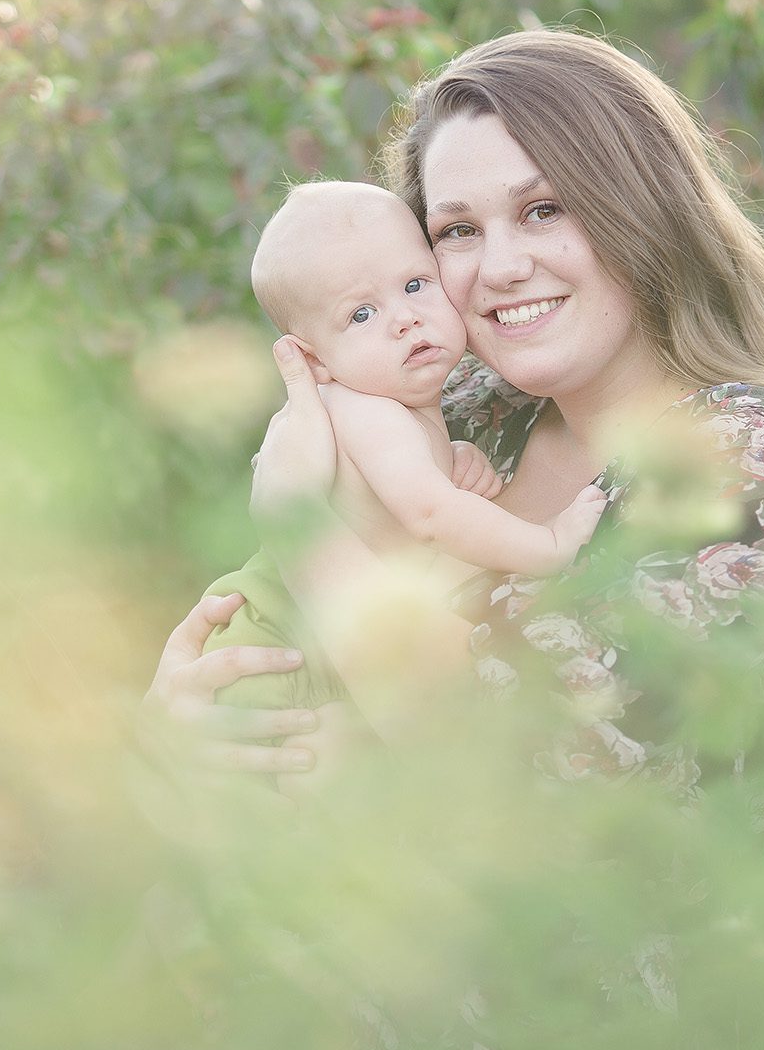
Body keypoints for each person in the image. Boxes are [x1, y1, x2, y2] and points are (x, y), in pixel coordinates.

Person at [143, 28, 764, 791]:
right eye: (458, 231)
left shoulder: (748, 449)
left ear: (643, 209)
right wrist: (175, 724)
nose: (502, 268)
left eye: (545, 209)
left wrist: (298, 531)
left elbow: (539, 763)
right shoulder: (473, 411)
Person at [198, 179, 609, 719]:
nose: (404, 318)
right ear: (314, 360)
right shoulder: (369, 413)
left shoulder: (410, 412)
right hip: (277, 651)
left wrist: (450, 454)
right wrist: (549, 544)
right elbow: (431, 516)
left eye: (416, 284)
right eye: (360, 315)